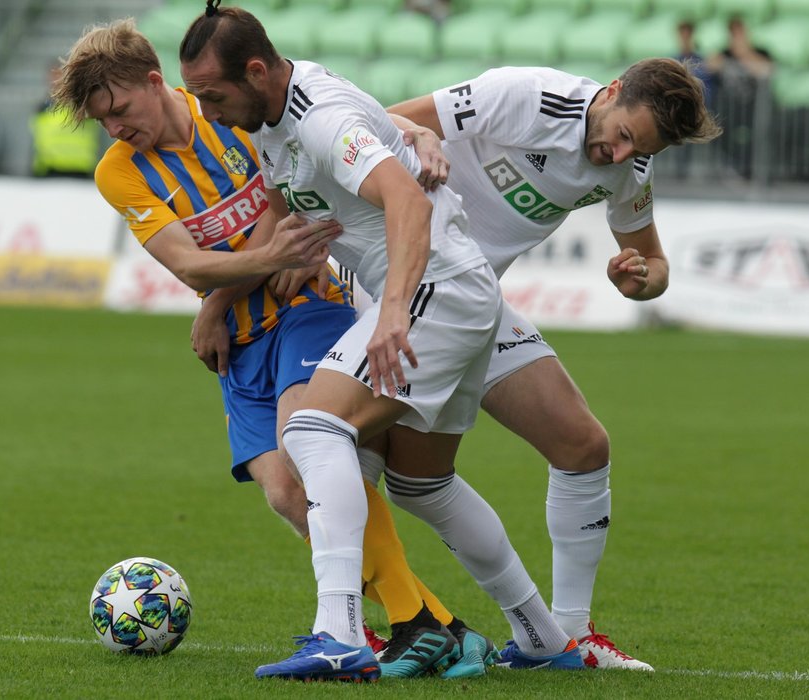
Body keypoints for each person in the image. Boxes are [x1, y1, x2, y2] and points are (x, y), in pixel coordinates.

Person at [52, 18, 496, 680]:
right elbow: (194, 264)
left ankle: (394, 626)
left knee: (307, 441)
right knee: (289, 494)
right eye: (101, 122)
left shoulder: (226, 108)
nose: (114, 129)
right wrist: (229, 290)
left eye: (117, 110)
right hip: (237, 342)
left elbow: (290, 191)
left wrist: (423, 134)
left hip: (306, 306)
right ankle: (438, 626)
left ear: (153, 82)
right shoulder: (119, 172)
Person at [180, 1, 584, 681]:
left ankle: (337, 633)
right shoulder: (272, 117)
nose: (209, 111)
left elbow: (405, 199)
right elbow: (292, 199)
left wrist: (393, 309)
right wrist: (250, 280)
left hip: (437, 288)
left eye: (213, 95)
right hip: (458, 291)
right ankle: (542, 635)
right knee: (422, 483)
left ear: (255, 70)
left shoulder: (319, 117)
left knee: (312, 431)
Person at [383, 57, 722, 671]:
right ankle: (359, 624)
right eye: (620, 136)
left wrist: (639, 279)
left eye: (638, 149)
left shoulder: (631, 168)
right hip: (393, 282)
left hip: (473, 300)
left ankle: (566, 635)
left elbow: (654, 263)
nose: (617, 156)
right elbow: (379, 127)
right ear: (611, 90)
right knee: (371, 464)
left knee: (582, 446)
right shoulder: (528, 97)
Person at [706, 15, 773, 179]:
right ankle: (733, 166)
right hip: (729, 107)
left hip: (754, 106)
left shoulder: (760, 51)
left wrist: (744, 55)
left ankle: (750, 169)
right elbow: (709, 67)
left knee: (760, 133)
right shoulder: (724, 53)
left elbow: (767, 71)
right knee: (714, 128)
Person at [30, 62, 102, 178]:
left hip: (79, 171)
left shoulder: (82, 106)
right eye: (53, 77)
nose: (56, 81)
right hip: (49, 171)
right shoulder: (42, 109)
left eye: (60, 76)